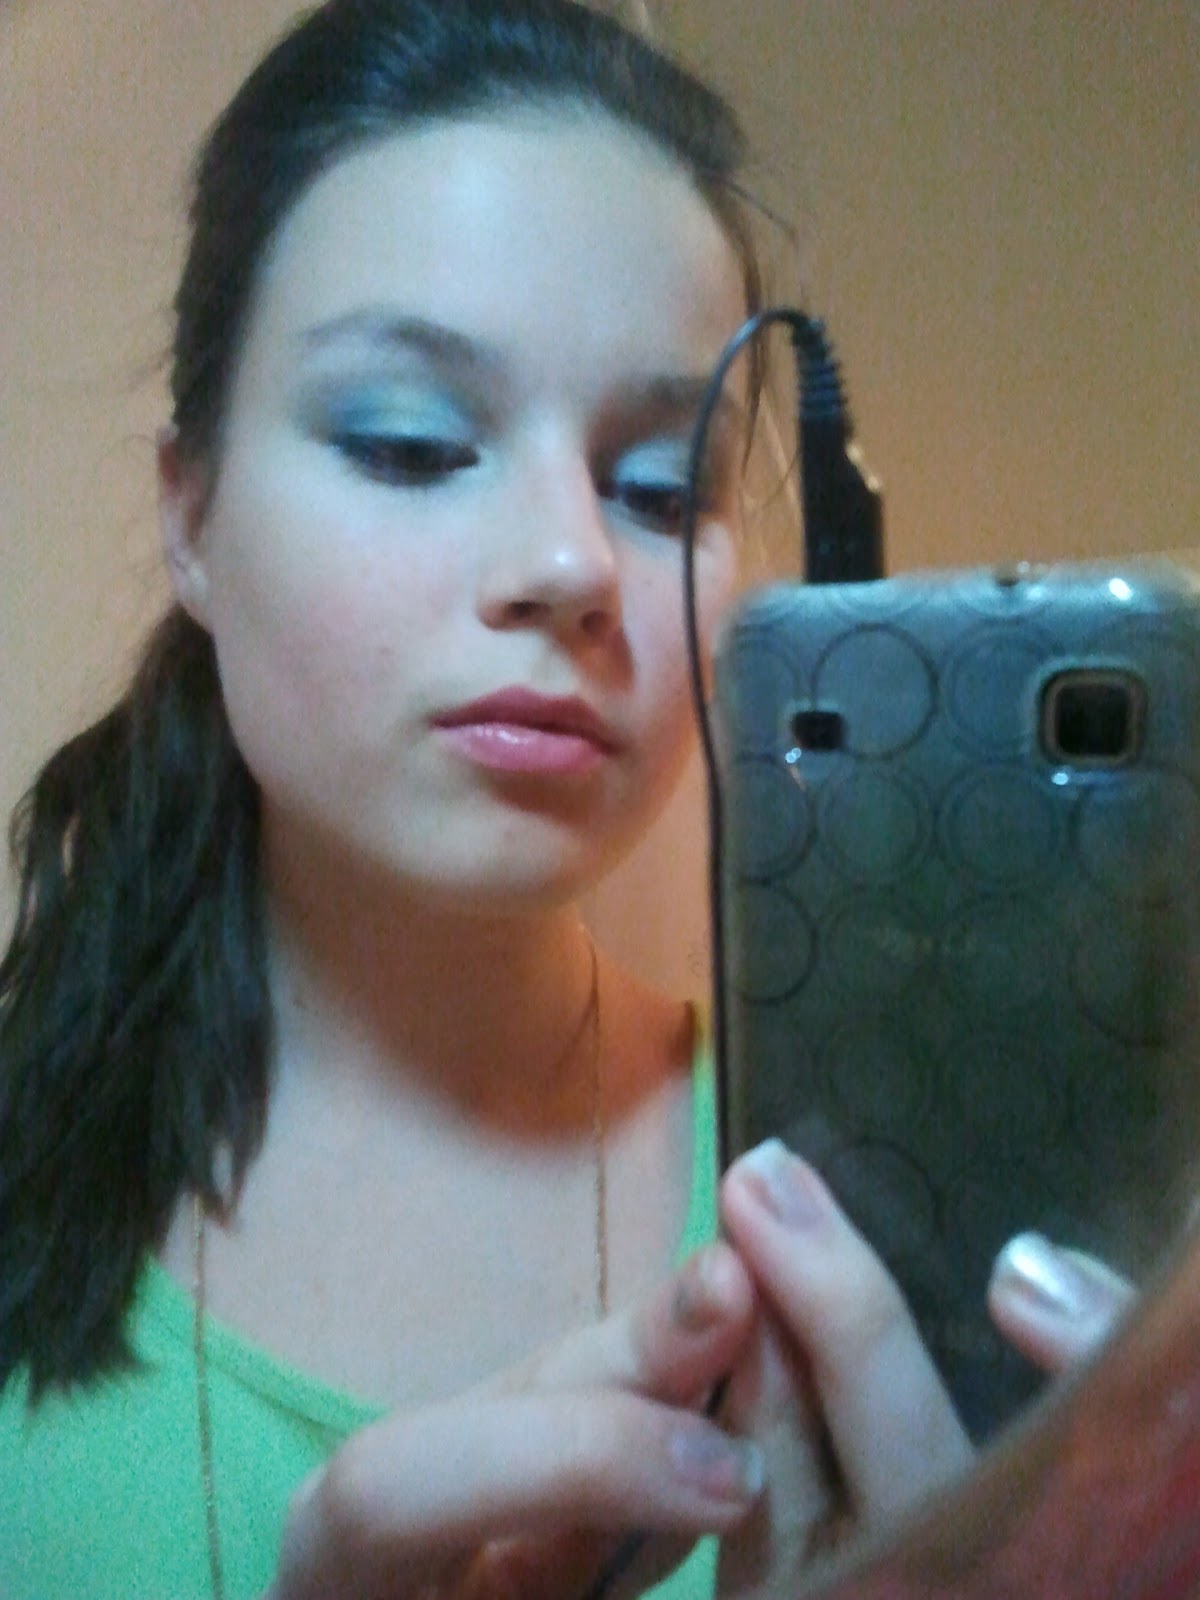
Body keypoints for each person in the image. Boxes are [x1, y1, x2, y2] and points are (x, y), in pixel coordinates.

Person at [0, 3, 1131, 1597]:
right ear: (192, 520)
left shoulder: (870, 1219)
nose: (570, 562)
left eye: (662, 487)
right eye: (409, 445)